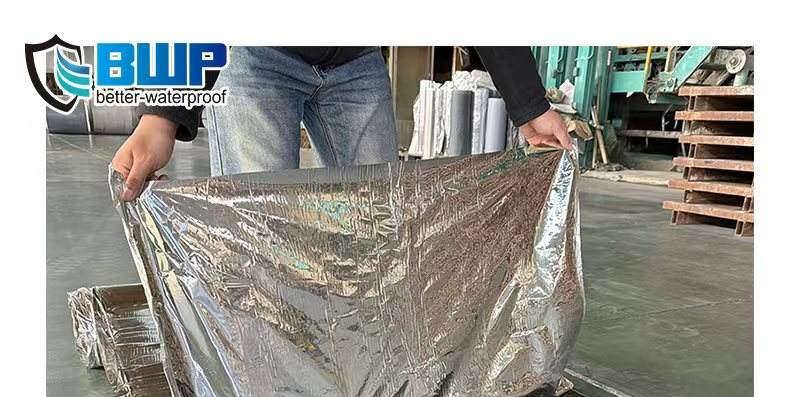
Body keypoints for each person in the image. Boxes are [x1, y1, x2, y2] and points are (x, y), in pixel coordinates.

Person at [112, 46, 571, 201]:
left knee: (377, 220)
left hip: (355, 60)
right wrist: (161, 115)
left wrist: (529, 105)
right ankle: (268, 372)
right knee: (261, 220)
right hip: (256, 55)